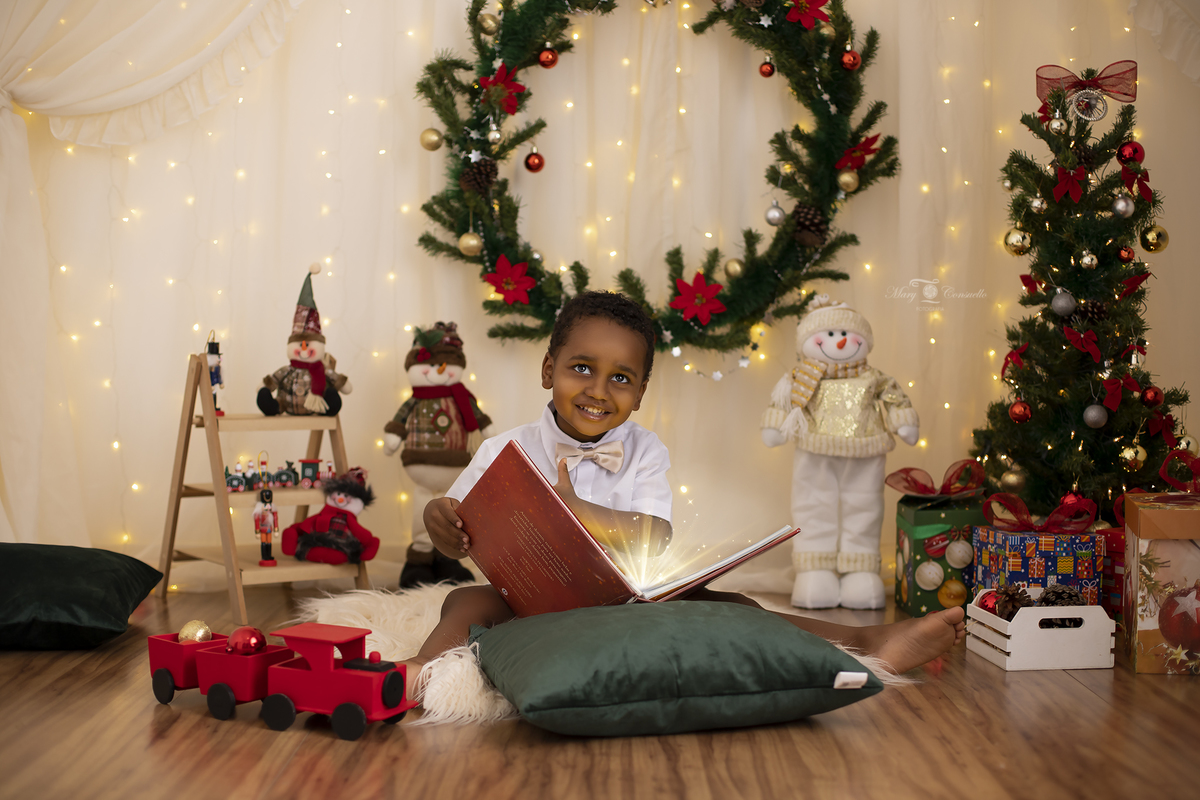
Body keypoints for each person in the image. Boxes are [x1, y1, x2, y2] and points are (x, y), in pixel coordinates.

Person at [403, 291, 965, 688]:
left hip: (626, 607)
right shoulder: (505, 448)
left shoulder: (644, 450)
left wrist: (577, 510)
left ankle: (867, 644)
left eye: (621, 378)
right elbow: (461, 527)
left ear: (641, 392)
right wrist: (440, 520)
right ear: (549, 369)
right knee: (463, 600)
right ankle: (409, 678)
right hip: (526, 603)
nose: (599, 390)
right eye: (581, 368)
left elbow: (654, 535)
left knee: (736, 606)